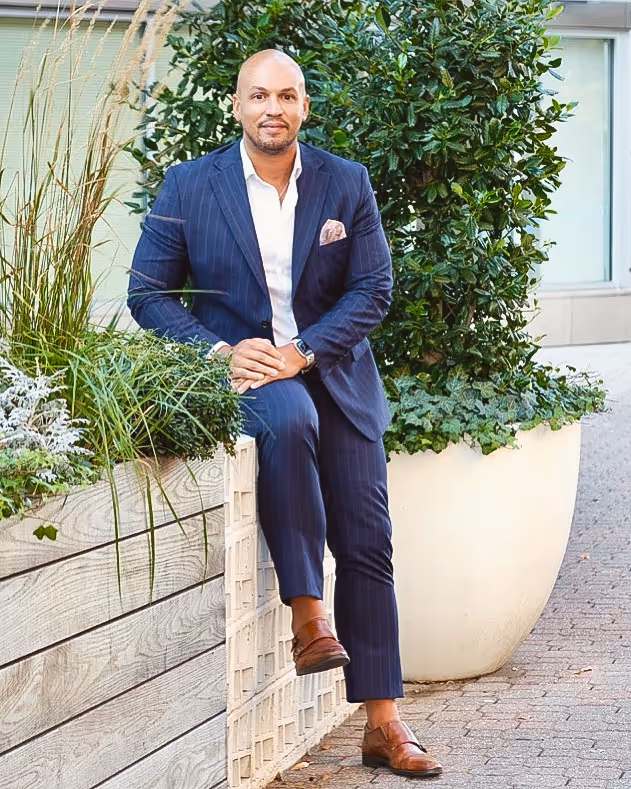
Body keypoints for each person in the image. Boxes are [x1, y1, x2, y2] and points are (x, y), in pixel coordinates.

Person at [128, 48, 442, 779]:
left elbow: (372, 289)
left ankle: (383, 723)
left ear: (304, 106)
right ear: (235, 105)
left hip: (331, 375)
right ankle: (307, 613)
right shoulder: (188, 185)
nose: (273, 108)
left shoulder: (345, 182)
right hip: (249, 378)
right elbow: (147, 293)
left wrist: (302, 350)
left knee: (368, 544)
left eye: (287, 96)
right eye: (258, 96)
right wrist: (219, 351)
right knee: (288, 416)